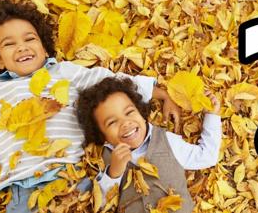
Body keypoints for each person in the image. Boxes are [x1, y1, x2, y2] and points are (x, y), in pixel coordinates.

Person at [0, 0, 180, 213]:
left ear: (44, 47)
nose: (21, 47)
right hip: (22, 190)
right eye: (9, 44)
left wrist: (162, 95)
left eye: (29, 39)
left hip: (71, 179)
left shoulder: (64, 72)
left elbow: (109, 82)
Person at [77, 77, 222, 213]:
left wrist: (212, 115)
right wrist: (114, 173)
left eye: (129, 112)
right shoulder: (104, 158)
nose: (125, 123)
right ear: (103, 137)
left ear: (141, 112)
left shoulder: (167, 141)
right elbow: (101, 204)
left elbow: (206, 156)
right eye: (112, 122)